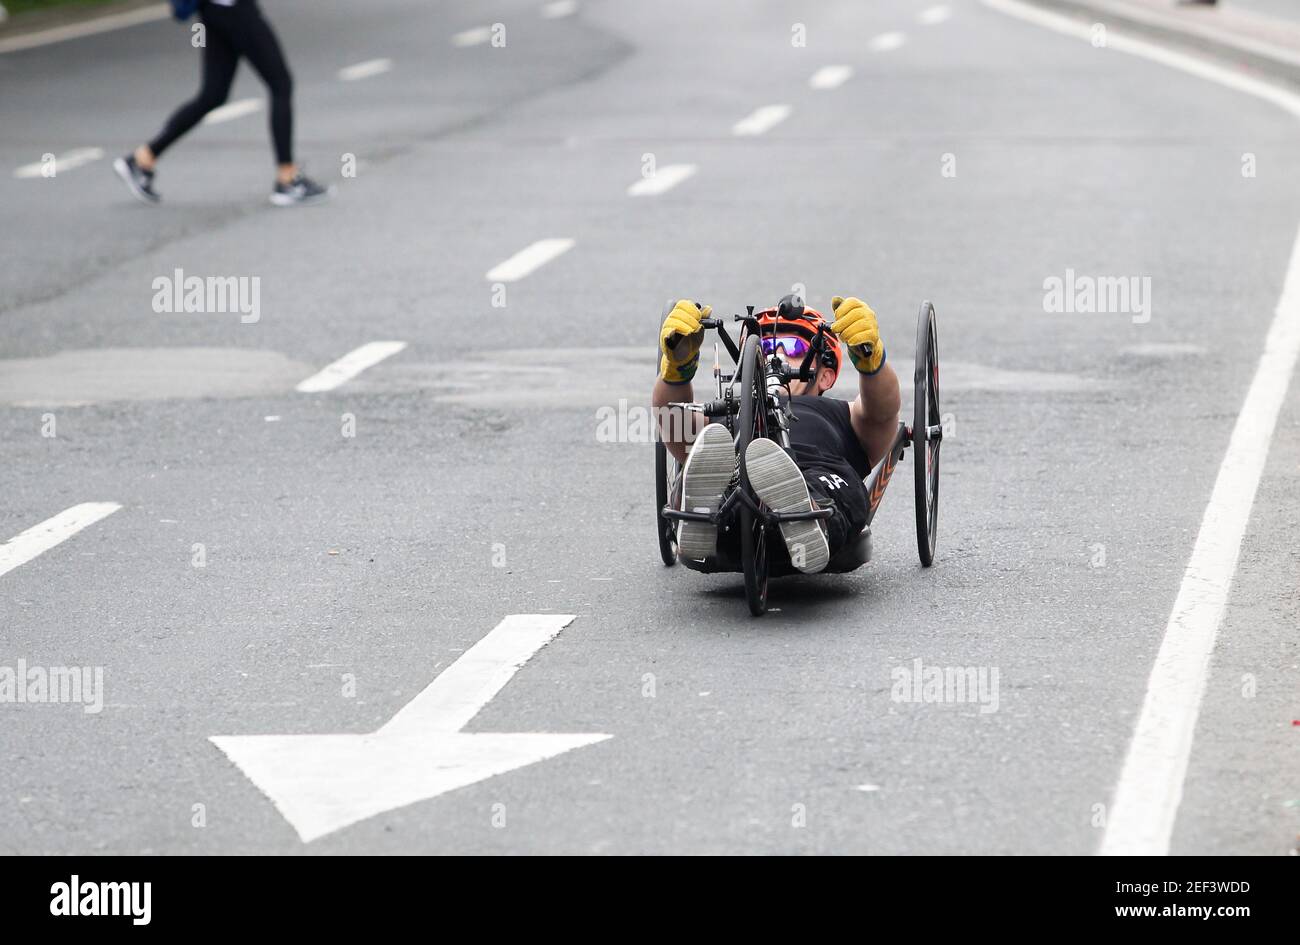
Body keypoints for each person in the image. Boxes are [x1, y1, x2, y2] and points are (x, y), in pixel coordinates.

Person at [652, 295, 900, 574]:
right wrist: (677, 369)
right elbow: (672, 420)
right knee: (715, 467)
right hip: (737, 481)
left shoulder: (840, 412)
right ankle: (705, 514)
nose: (776, 355)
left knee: (828, 492)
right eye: (767, 346)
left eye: (793, 347)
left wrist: (871, 360)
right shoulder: (728, 413)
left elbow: (882, 413)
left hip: (816, 473)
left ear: (825, 376)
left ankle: (804, 514)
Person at [113, 0, 330, 206]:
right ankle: (287, 179)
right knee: (280, 84)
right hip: (234, 9)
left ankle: (142, 158)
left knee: (213, 94)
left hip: (213, 10)